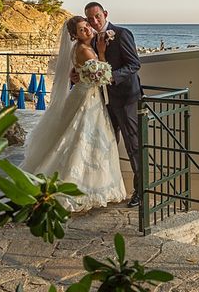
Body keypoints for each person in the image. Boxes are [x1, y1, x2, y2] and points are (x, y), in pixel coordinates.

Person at [22, 16, 126, 211]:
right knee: (80, 140)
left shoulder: (82, 47)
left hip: (84, 95)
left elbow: (83, 72)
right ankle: (79, 189)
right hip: (87, 99)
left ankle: (91, 186)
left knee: (82, 141)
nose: (87, 29)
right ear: (74, 35)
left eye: (87, 25)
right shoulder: (85, 50)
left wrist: (82, 72)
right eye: (81, 29)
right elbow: (102, 76)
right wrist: (102, 53)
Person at [82, 2, 143, 208]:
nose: (95, 21)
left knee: (133, 145)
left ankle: (140, 191)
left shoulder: (122, 33)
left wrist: (110, 77)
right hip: (103, 102)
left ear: (105, 14)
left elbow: (134, 64)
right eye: (90, 19)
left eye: (97, 16)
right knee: (106, 144)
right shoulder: (90, 41)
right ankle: (106, 187)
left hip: (126, 99)